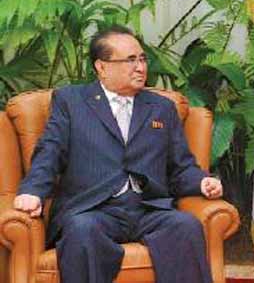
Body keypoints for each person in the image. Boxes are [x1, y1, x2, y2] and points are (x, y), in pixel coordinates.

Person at [13, 26, 223, 283]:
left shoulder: (162, 108)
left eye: (142, 58)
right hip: (93, 209)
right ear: (102, 67)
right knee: (82, 231)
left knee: (185, 227)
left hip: (148, 209)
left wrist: (202, 181)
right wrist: (32, 191)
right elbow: (51, 150)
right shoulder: (71, 101)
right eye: (130, 60)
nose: (140, 67)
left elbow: (181, 166)